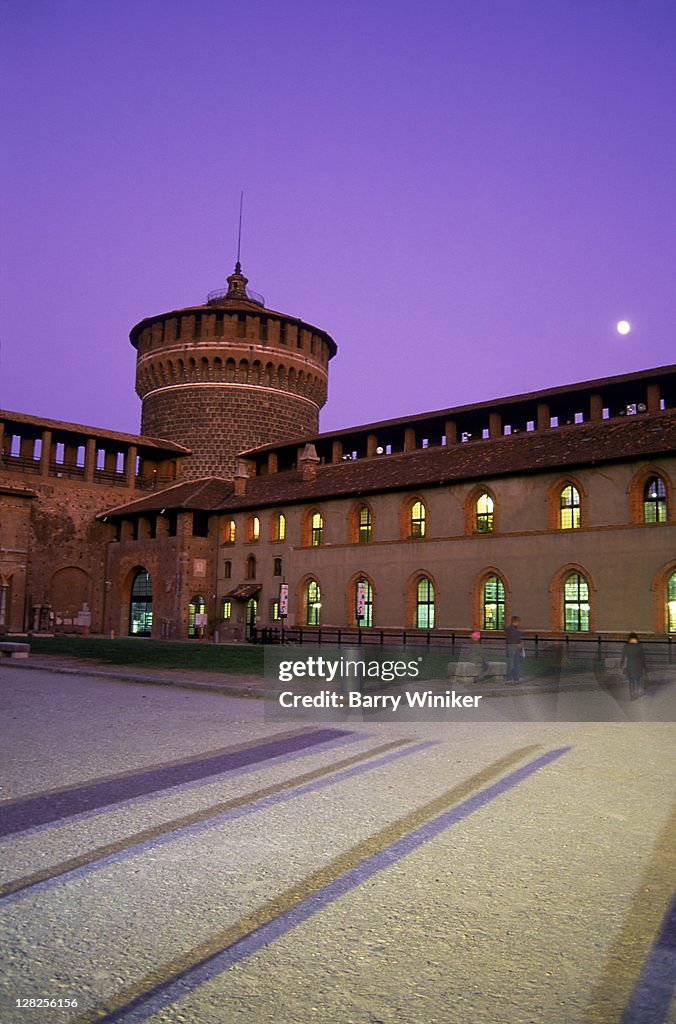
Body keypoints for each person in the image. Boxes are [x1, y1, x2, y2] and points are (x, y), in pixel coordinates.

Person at [621, 632, 647, 700]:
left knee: (631, 681)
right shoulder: (639, 646)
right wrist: (644, 667)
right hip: (638, 664)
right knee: (637, 680)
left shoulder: (626, 646)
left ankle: (632, 694)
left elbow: (623, 657)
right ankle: (636, 693)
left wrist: (622, 665)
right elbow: (643, 657)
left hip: (630, 664)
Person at [505, 615, 523, 683]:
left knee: (517, 663)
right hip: (512, 647)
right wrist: (517, 643)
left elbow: (518, 638)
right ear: (516, 621)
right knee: (511, 663)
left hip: (516, 648)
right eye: (518, 621)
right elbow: (510, 639)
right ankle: (509, 678)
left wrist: (520, 643)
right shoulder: (510, 629)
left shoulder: (516, 629)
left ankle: (516, 678)